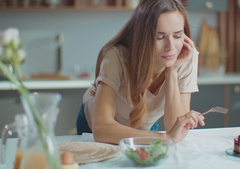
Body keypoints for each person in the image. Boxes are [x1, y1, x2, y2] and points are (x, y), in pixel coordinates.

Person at [76, 0, 205, 144]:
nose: (171, 47)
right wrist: (165, 138)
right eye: (160, 37)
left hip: (144, 126)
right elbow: (101, 129)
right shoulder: (116, 57)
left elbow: (176, 127)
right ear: (142, 37)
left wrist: (172, 72)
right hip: (99, 127)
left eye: (177, 35)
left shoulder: (186, 54)